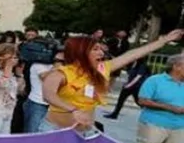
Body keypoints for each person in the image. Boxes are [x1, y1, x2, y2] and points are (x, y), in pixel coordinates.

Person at [40, 30, 183, 134]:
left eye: (101, 49)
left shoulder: (101, 69)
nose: (101, 53)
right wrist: (74, 110)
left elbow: (132, 55)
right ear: (80, 52)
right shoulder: (60, 73)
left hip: (86, 132)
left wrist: (163, 41)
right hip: (55, 131)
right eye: (95, 49)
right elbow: (49, 95)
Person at [135, 54, 184, 143]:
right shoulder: (155, 80)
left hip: (179, 128)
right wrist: (170, 108)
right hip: (154, 124)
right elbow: (142, 101)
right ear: (176, 66)